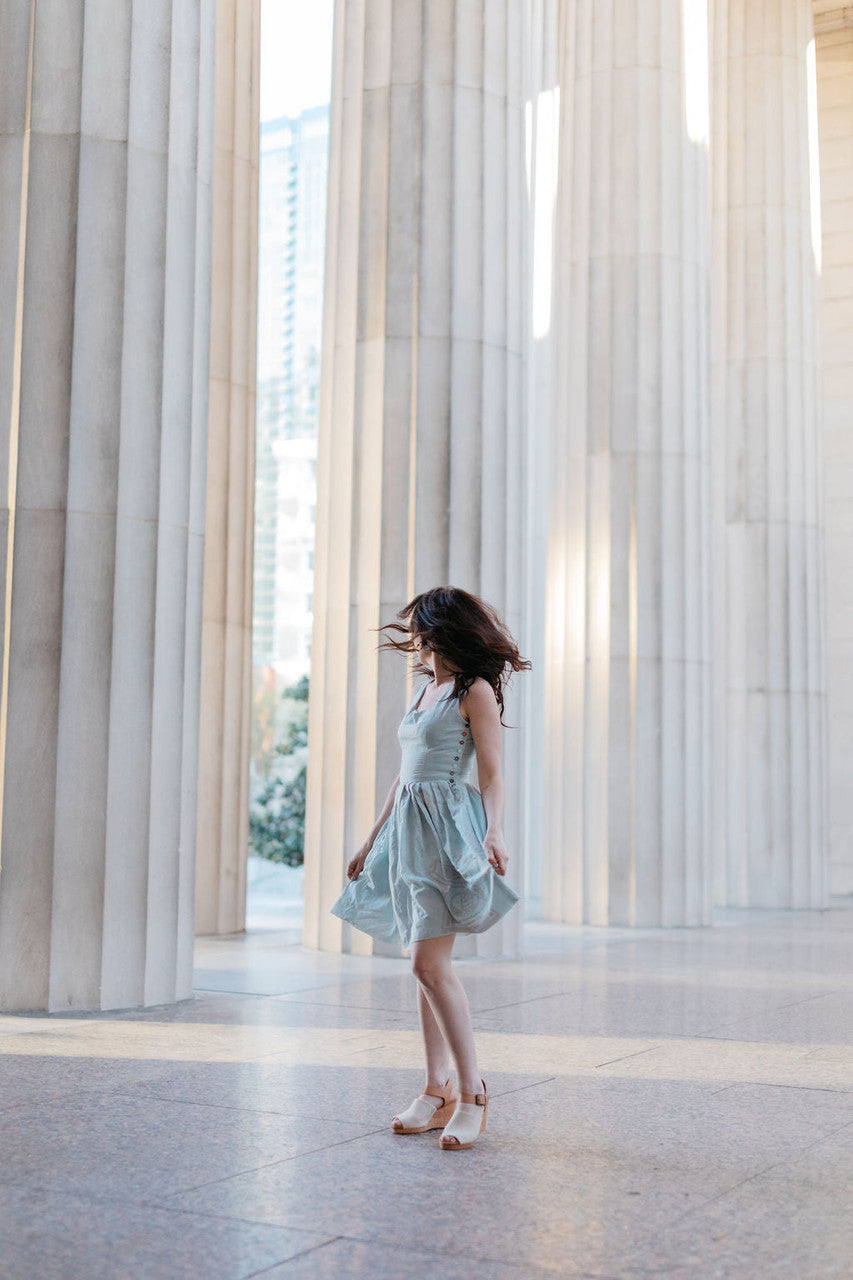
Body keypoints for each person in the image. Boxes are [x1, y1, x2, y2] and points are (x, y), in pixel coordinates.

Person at [330, 586, 531, 1150]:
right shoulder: (426, 692)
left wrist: (493, 831)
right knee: (424, 964)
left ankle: (472, 1094)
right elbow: (403, 774)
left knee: (427, 965)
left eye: (419, 626)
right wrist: (370, 842)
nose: (413, 637)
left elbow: (491, 775)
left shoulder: (476, 692)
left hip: (446, 830)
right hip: (408, 833)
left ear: (440, 630)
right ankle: (436, 1089)